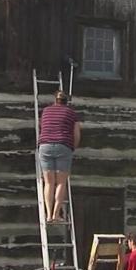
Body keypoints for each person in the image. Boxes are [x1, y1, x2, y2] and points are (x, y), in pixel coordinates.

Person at [37, 90, 81, 222]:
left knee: (49, 182)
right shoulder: (71, 113)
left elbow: (41, 127)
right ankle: (56, 214)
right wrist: (73, 147)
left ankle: (48, 214)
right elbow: (77, 133)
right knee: (61, 182)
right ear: (66, 101)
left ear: (55, 100)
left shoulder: (45, 111)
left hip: (45, 146)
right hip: (63, 145)